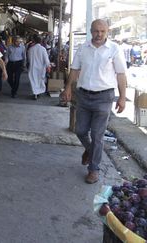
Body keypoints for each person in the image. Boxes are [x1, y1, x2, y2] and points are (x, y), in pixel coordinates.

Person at [61, 19, 127, 184]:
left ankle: (94, 169)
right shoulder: (83, 48)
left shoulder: (114, 49)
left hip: (104, 98)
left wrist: (122, 97)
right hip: (83, 95)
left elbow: (120, 74)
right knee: (80, 131)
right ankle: (91, 151)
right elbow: (75, 69)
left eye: (102, 31)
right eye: (96, 31)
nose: (99, 34)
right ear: (91, 31)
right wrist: (68, 88)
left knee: (98, 135)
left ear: (107, 32)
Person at [27, 35, 50, 100]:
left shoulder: (30, 49)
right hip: (41, 68)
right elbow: (46, 59)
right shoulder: (43, 49)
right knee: (40, 80)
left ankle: (35, 93)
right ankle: (38, 92)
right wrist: (48, 65)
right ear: (41, 41)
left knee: (33, 81)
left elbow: (28, 59)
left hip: (32, 68)